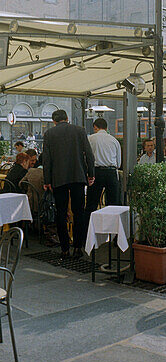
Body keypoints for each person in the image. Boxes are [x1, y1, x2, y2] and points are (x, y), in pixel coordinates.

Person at [41, 109, 95, 258]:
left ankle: (64, 248)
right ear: (67, 118)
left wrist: (47, 180)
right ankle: (78, 246)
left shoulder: (49, 134)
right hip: (78, 176)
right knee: (79, 212)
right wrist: (91, 174)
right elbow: (89, 155)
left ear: (54, 121)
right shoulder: (79, 131)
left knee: (61, 213)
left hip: (58, 179)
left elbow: (46, 160)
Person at [86, 118, 122, 211]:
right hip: (111, 172)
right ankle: (112, 224)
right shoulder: (114, 140)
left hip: (96, 172)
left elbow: (86, 157)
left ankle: (89, 224)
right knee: (113, 204)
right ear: (106, 128)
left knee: (92, 203)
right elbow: (118, 162)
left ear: (95, 127)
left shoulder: (90, 138)